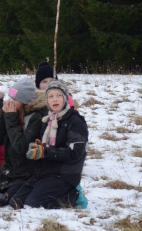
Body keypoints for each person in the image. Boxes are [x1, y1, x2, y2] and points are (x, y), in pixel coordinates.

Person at [9, 80, 88, 209]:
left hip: (64, 174)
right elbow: (44, 146)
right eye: (51, 96)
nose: (54, 100)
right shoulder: (47, 120)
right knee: (16, 202)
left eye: (58, 96)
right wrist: (37, 147)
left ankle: (72, 196)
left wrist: (45, 152)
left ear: (65, 98)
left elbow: (75, 153)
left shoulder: (75, 121)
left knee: (32, 204)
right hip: (45, 171)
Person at [0, 77, 49, 204]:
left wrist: (10, 119)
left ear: (25, 101)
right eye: (10, 98)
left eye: (15, 99)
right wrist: (2, 117)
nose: (10, 102)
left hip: (25, 175)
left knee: (10, 199)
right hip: (7, 172)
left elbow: (21, 147)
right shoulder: (12, 113)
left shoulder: (36, 117)